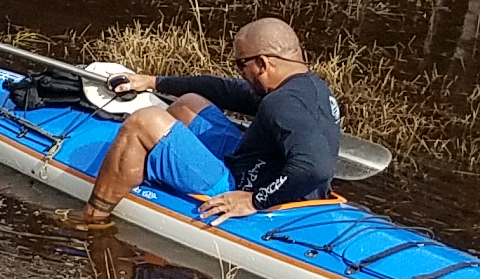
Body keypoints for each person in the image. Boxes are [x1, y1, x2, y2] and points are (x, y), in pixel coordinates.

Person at [80, 17, 341, 224]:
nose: (240, 72)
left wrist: (254, 201)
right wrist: (152, 81)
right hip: (260, 165)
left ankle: (93, 216)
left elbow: (315, 168)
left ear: (262, 63)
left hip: (244, 186)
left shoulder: (283, 103)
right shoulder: (307, 87)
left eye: (241, 64)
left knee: (142, 122)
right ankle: (155, 162)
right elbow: (225, 90)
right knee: (188, 104)